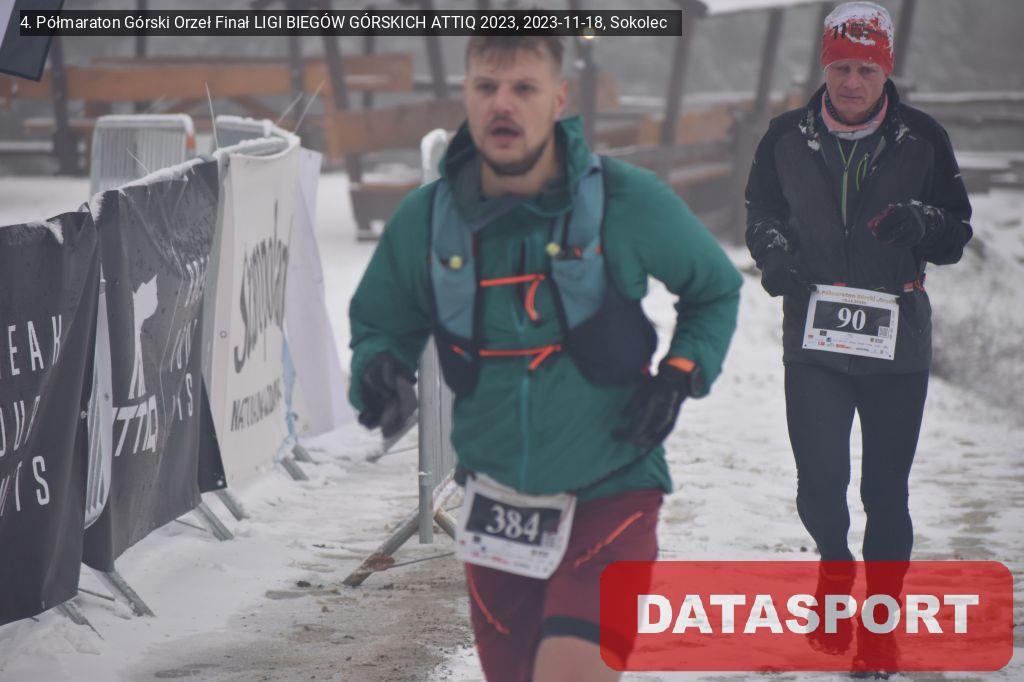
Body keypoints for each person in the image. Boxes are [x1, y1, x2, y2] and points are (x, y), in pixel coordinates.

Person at [349, 35, 741, 681]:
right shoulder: (427, 217)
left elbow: (715, 289)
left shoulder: (625, 199)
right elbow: (379, 321)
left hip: (611, 491)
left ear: (558, 100)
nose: (502, 104)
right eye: (486, 87)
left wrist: (680, 374)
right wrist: (377, 367)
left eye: (524, 88)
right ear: (466, 94)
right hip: (496, 504)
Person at [744, 1, 973, 674]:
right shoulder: (786, 136)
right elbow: (762, 212)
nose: (852, 82)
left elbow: (956, 230)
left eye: (866, 70)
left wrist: (923, 223)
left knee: (885, 492)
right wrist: (774, 254)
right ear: (825, 67)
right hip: (814, 337)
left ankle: (878, 632)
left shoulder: (922, 138)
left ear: (886, 70)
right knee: (820, 484)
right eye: (841, 67)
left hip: (896, 338)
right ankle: (835, 564)